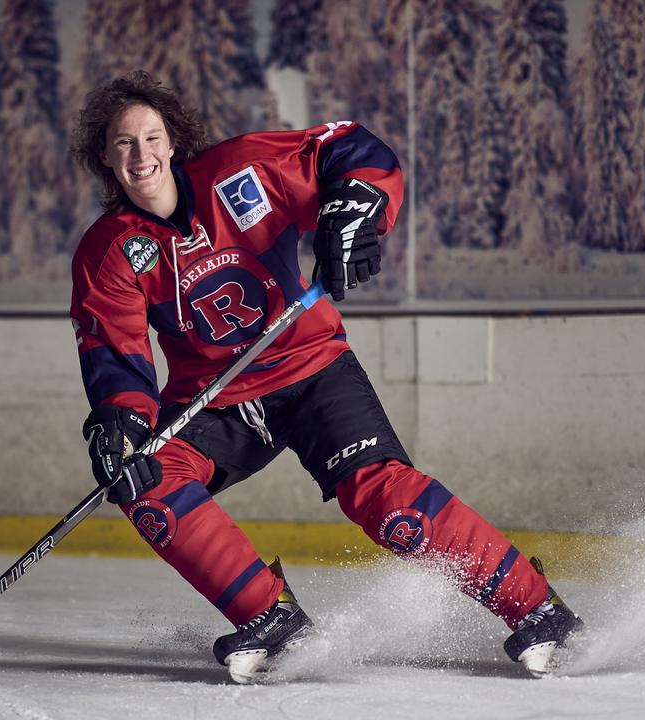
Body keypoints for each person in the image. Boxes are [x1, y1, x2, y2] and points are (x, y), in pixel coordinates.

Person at [68, 70, 583, 683]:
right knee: (144, 481)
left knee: (390, 504)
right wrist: (123, 421)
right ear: (104, 155)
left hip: (312, 368)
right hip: (218, 399)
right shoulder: (109, 250)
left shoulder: (242, 173)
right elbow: (114, 350)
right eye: (123, 143)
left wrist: (355, 210)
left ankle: (539, 610)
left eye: (151, 137)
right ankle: (269, 616)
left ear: (172, 141)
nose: (141, 154)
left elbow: (352, 150)